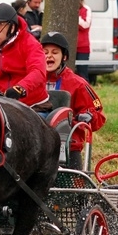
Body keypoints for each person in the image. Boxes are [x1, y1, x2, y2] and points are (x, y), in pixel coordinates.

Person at [0, 2, 51, 114]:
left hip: (32, 107)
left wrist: (20, 88)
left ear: (12, 27)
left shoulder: (30, 44)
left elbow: (38, 72)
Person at [41, 31, 106, 164]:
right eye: (45, 52)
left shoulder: (78, 84)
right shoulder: (31, 81)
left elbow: (99, 114)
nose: (49, 56)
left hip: (68, 147)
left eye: (54, 52)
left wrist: (88, 116)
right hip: (37, 147)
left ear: (64, 57)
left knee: (74, 184)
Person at [75, 0, 92, 82]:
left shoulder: (86, 9)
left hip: (83, 47)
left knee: (83, 73)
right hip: (70, 46)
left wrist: (76, 16)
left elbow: (85, 25)